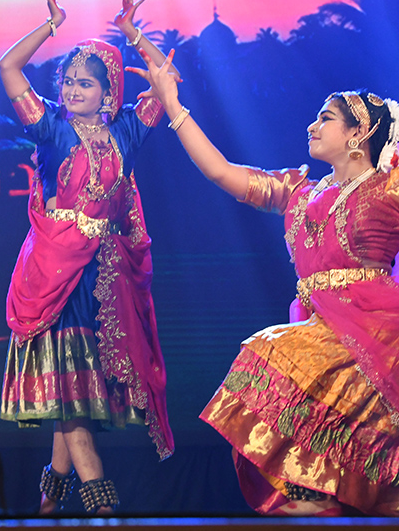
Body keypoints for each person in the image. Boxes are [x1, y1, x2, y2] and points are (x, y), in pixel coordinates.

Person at [132, 50, 399, 516]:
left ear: (359, 132)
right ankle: (316, 496)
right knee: (271, 385)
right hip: (324, 331)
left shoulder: (387, 188)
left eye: (326, 118)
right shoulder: (299, 191)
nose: (312, 125)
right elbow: (221, 172)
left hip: (375, 331)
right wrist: (172, 105)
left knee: (268, 350)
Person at [0, 0, 176, 514]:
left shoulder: (127, 133)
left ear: (109, 92)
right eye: (68, 80)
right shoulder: (50, 127)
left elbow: (166, 82)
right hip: (52, 275)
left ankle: (50, 494)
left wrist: (132, 35)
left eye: (86, 83)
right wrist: (52, 25)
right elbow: (8, 69)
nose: (73, 89)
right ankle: (104, 508)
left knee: (70, 393)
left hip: (104, 279)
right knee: (71, 406)